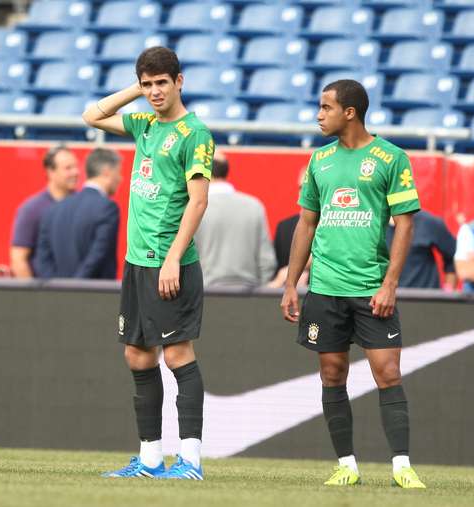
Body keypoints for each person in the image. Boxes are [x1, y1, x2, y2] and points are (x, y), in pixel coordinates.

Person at [280, 79, 426, 488]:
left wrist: (390, 284)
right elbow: (306, 224)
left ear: (350, 112)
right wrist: (292, 283)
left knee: (389, 372)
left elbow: (404, 224)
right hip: (325, 289)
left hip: (370, 288)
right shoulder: (319, 161)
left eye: (325, 107)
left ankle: (401, 466)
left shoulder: (390, 157)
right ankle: (347, 464)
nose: (318, 114)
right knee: (331, 374)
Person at [83, 46, 212, 480]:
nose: (155, 91)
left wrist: (174, 257)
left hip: (169, 263)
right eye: (147, 83)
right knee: (138, 357)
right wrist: (134, 91)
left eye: (162, 82)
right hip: (137, 262)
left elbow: (198, 201)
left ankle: (190, 461)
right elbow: (92, 116)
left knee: (177, 355)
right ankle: (151, 459)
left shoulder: (195, 133)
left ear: (180, 81)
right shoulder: (144, 125)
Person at [34, 148, 122, 279]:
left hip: (57, 295)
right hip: (95, 294)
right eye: (118, 173)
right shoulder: (108, 208)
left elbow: (42, 260)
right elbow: (98, 255)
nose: (120, 179)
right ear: (107, 172)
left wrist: (59, 289)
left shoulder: (53, 209)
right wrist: (76, 286)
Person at [194, 151, 276, 288]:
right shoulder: (254, 206)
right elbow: (267, 261)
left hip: (206, 294)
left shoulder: (194, 209)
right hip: (249, 294)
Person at [9, 145, 79, 278]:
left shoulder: (81, 205)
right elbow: (18, 259)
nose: (75, 172)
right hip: (45, 291)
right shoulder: (32, 209)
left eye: (76, 167)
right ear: (50, 172)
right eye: (68, 168)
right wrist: (33, 297)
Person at [386, 210, 457, 290]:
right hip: (385, 299)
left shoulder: (427, 222)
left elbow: (454, 256)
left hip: (424, 299)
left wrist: (449, 290)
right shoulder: (374, 226)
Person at [268, 167, 310, 288]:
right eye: (302, 187)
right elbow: (277, 271)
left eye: (312, 187)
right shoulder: (284, 228)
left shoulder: (339, 228)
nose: (305, 193)